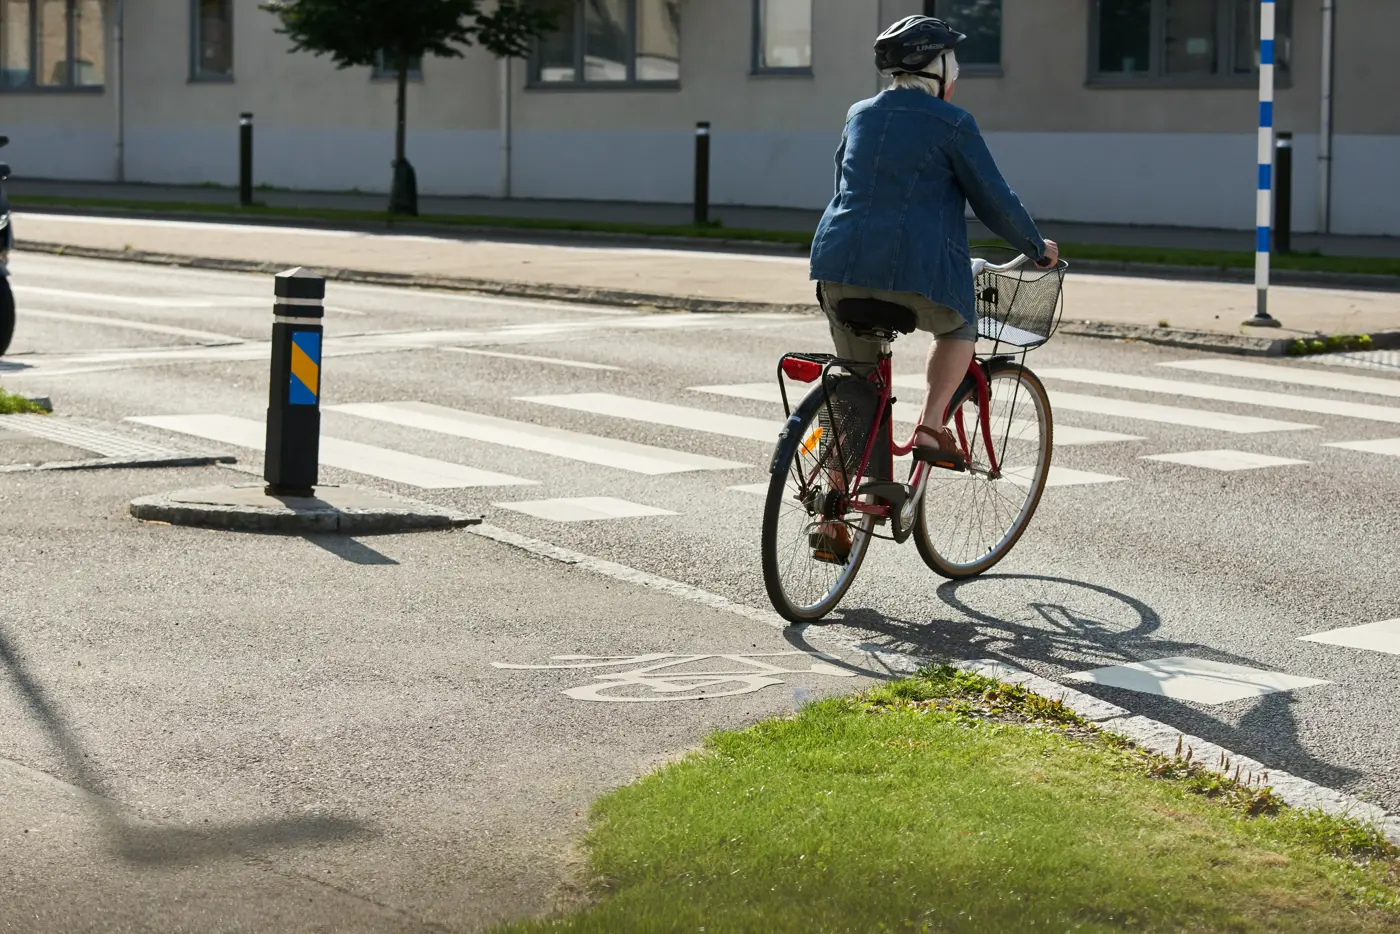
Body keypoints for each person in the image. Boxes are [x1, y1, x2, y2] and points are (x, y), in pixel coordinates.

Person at [807, 14, 1057, 563]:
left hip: (837, 265)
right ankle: (930, 427)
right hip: (917, 273)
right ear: (938, 68)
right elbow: (993, 199)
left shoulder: (859, 114)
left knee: (855, 385)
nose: (957, 74)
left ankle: (833, 509)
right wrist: (1035, 246)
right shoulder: (953, 122)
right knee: (960, 326)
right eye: (954, 64)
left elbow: (844, 183)